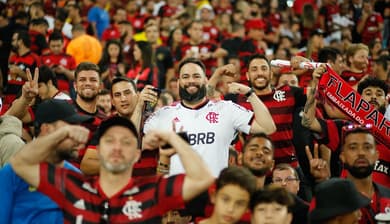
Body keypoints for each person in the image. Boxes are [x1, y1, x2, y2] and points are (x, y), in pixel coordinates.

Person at [9, 116, 214, 223]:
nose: (117, 147)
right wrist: (60, 133)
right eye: (109, 141)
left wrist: (171, 138)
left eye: (126, 142)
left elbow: (203, 178)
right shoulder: (73, 185)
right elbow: (20, 163)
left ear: (136, 155)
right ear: (98, 150)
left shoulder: (152, 191)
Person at [144, 58, 276, 177]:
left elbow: (267, 128)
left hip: (213, 196)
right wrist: (139, 106)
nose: (191, 81)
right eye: (186, 76)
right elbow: (135, 142)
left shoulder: (226, 109)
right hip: (177, 197)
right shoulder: (163, 115)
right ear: (178, 83)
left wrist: (250, 94)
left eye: (196, 76)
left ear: (206, 81)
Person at [0, 99, 93, 223]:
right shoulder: (14, 174)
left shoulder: (76, 178)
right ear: (47, 129)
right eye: (70, 128)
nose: (77, 137)